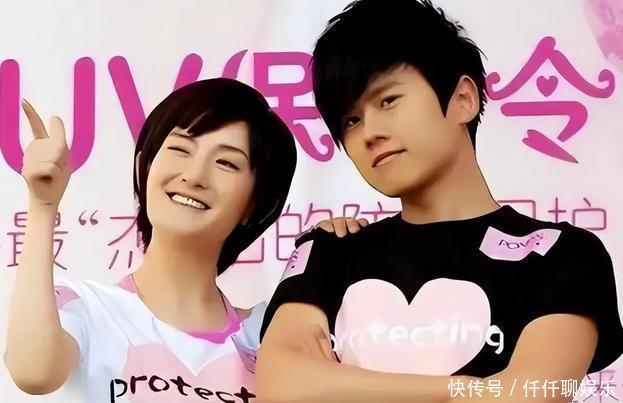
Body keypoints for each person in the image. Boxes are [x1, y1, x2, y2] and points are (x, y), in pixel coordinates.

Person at [256, 1, 623, 402]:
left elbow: (531, 395)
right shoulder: (330, 251)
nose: (369, 133)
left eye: (387, 100)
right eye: (351, 120)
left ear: (463, 98)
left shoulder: (562, 255)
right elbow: (282, 386)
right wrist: (471, 389)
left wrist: (339, 386)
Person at [4, 78, 365, 402]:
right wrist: (43, 205)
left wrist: (348, 257)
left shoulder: (267, 334)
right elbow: (34, 372)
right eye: (180, 150)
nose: (194, 175)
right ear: (144, 167)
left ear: (255, 205)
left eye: (226, 163)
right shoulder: (88, 308)